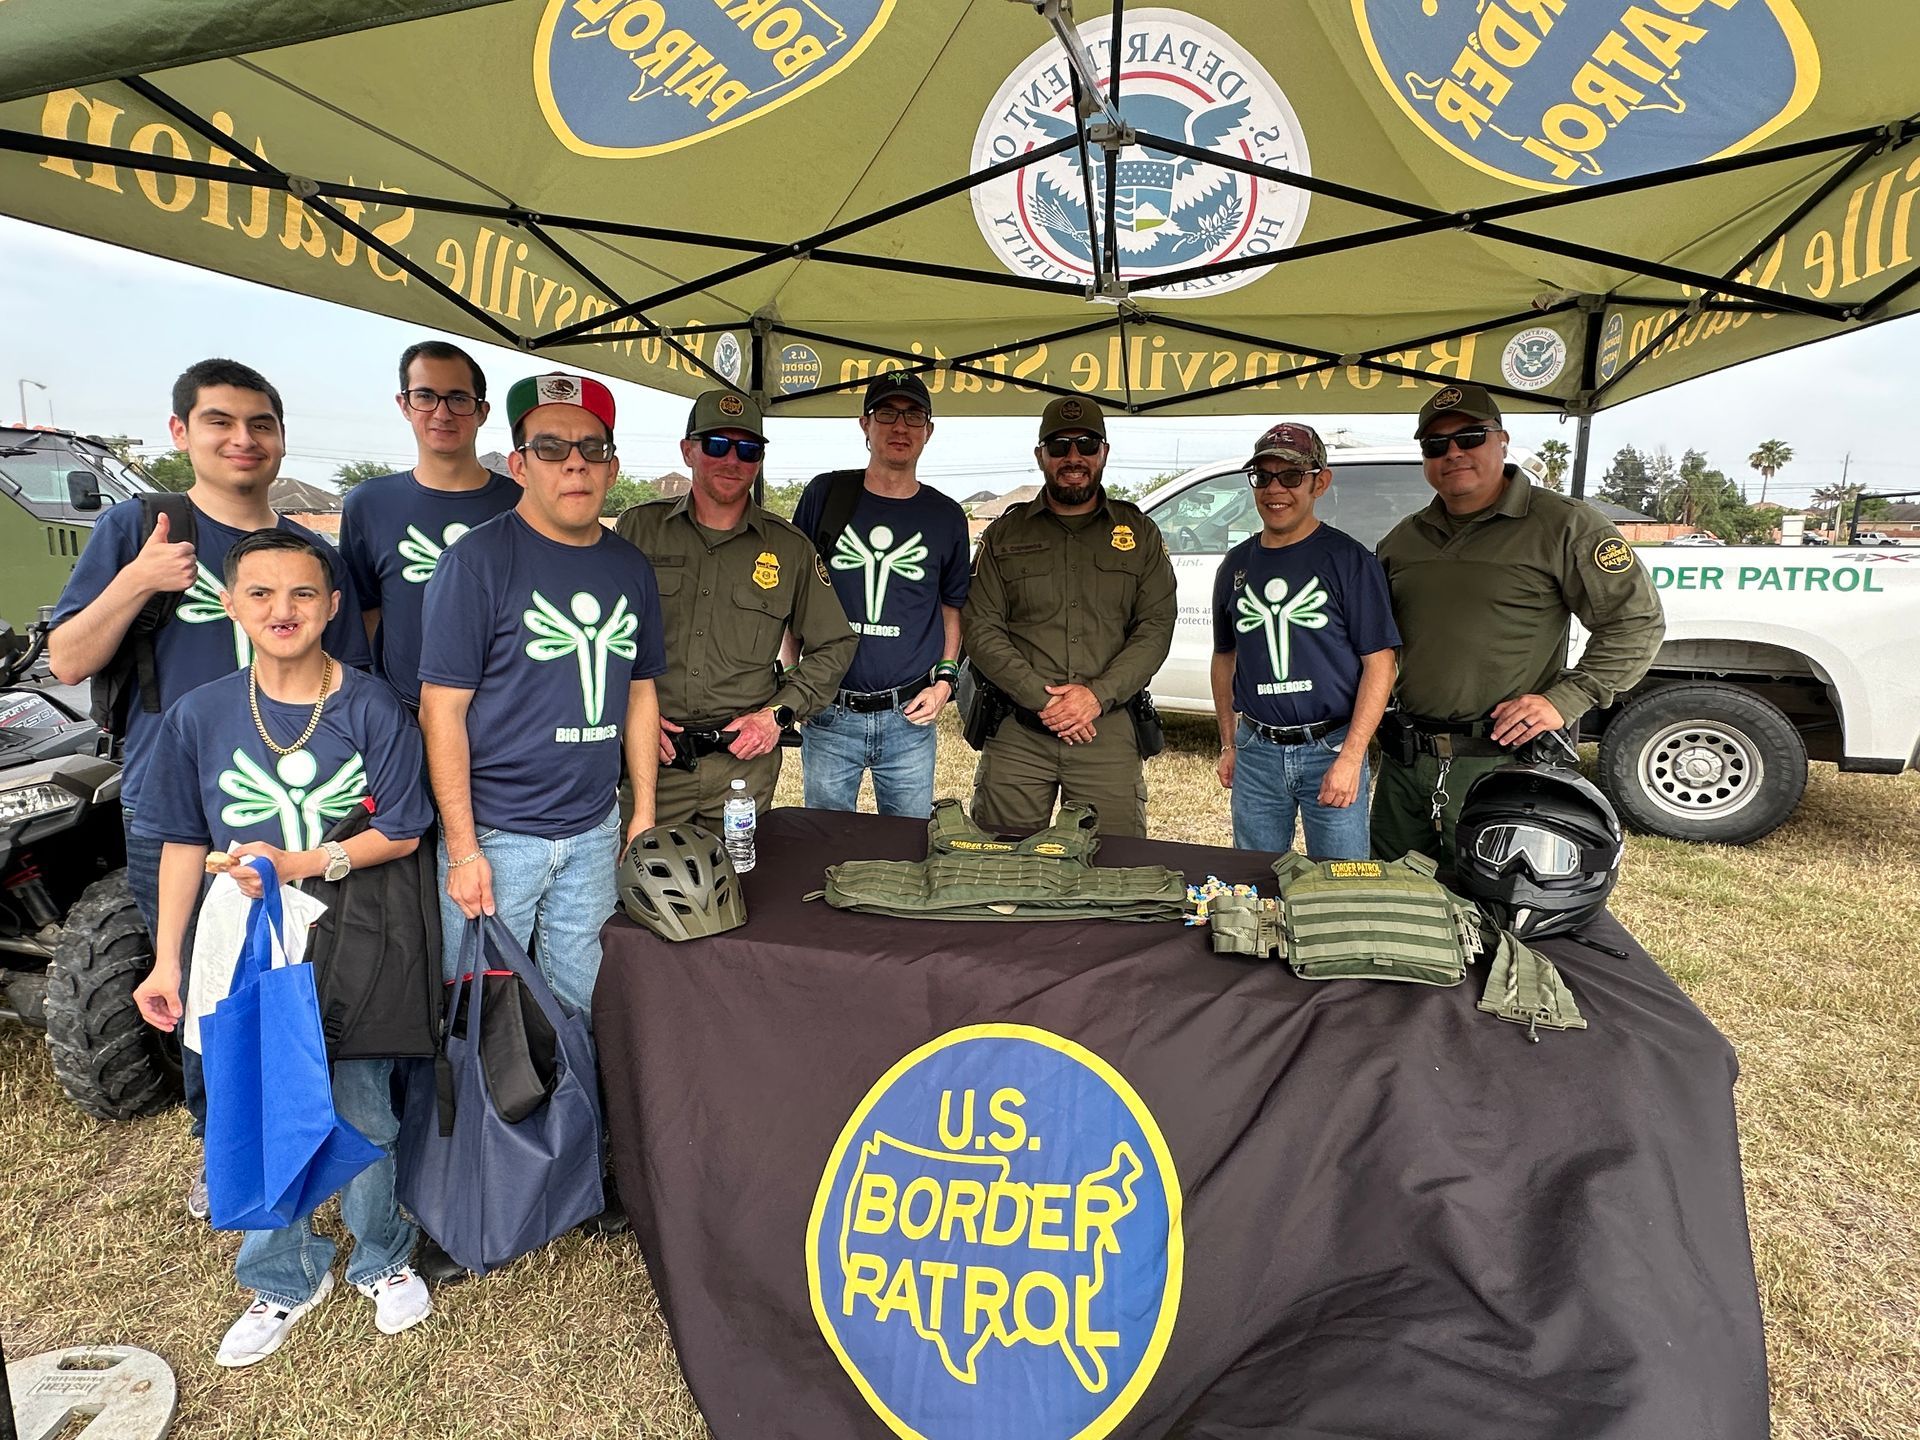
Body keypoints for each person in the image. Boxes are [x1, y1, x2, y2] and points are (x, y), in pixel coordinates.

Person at [47, 356, 368, 1219]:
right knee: (204, 985)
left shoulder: (313, 553)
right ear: (181, 432)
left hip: (304, 807)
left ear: (279, 439)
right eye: (221, 421)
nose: (243, 439)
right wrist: (139, 582)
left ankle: (319, 1128)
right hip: (182, 810)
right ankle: (225, 1142)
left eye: (260, 423)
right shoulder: (143, 528)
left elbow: (352, 678)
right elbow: (70, 657)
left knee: (311, 973)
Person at [127, 529, 434, 1365]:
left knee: (363, 1099)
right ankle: (285, 1273)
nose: (282, 609)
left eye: (302, 593)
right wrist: (167, 959)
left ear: (334, 606)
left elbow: (404, 829)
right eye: (260, 593)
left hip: (356, 928)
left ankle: (383, 1255)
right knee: (258, 1100)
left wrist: (302, 863)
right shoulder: (200, 714)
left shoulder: (370, 705)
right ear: (230, 605)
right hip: (245, 940)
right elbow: (184, 841)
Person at [418, 371, 664, 1018]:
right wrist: (464, 848)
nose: (575, 463)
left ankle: (571, 1118)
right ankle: (478, 1125)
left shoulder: (629, 567)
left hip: (592, 827)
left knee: (581, 1000)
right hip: (499, 835)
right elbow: (441, 710)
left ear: (613, 469)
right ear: (521, 464)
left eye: (593, 449)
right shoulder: (476, 563)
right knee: (478, 1010)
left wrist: (639, 812)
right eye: (552, 448)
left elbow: (640, 694)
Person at [1372, 383, 1664, 866]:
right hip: (1406, 765)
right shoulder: (1404, 540)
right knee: (1395, 907)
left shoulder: (1564, 524)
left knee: (1495, 915)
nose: (1454, 453)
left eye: (1470, 437)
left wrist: (1567, 698)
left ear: (1501, 441)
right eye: (1436, 445)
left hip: (1503, 765)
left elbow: (1636, 621)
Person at [615, 390, 856, 830]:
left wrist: (777, 715)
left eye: (748, 449)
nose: (732, 460)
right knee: (640, 888)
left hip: (743, 767)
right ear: (688, 450)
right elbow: (599, 638)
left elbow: (835, 643)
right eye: (716, 445)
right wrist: (625, 714)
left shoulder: (788, 548)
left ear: (759, 460)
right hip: (653, 760)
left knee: (737, 892)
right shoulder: (638, 531)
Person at [962, 396, 1177, 839]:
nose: (1073, 457)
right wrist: (1044, 700)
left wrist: (1095, 697)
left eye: (1086, 444)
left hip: (1107, 729)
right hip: (1019, 732)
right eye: (1059, 446)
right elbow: (981, 629)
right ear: (1041, 454)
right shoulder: (1005, 533)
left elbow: (1155, 628)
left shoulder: (1138, 533)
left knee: (1114, 871)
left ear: (1104, 452)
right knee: (999, 870)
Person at [1211, 423, 1398, 859]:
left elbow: (1381, 663)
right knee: (1252, 880)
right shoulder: (1236, 565)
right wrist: (1228, 742)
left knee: (1341, 883)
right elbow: (1225, 658)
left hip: (1330, 749)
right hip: (1257, 752)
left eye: (1291, 476)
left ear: (1320, 482)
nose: (1275, 489)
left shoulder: (1349, 560)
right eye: (1264, 477)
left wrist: (1351, 758)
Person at [790, 373, 969, 817]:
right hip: (830, 711)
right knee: (825, 842)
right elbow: (792, 596)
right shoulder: (826, 495)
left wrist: (945, 681)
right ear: (864, 424)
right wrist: (795, 680)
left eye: (914, 415)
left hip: (908, 715)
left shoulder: (946, 515)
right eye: (886, 413)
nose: (900, 426)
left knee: (908, 847)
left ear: (929, 430)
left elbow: (951, 605)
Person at [338, 340, 518, 706]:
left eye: (458, 398)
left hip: (507, 715)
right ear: (404, 404)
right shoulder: (368, 504)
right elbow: (366, 610)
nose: (442, 413)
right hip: (405, 711)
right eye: (425, 396)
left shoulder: (522, 503)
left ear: (482, 411)